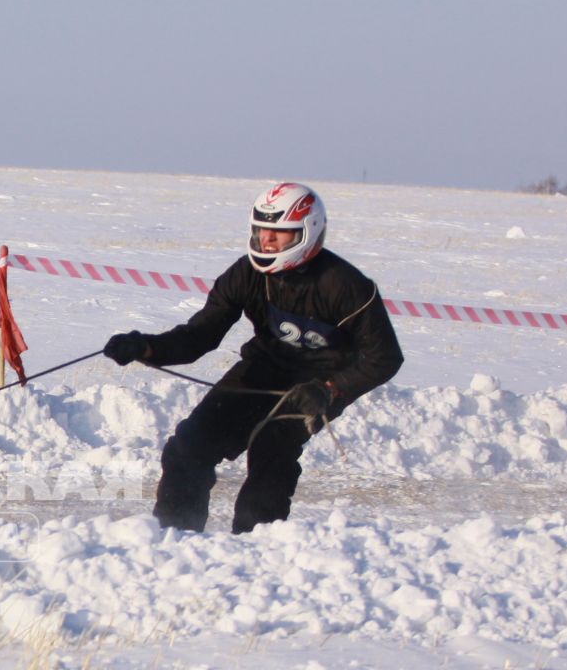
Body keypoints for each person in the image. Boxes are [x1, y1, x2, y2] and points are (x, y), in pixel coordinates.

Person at [102, 182, 403, 533]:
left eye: (280, 234)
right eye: (262, 232)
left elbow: (385, 358)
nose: (268, 242)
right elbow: (199, 336)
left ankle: (255, 547)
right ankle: (174, 535)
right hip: (263, 369)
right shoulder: (245, 274)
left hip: (318, 384)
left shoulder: (347, 286)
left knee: (271, 449)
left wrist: (332, 388)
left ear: (308, 233)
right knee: (189, 445)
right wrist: (145, 347)